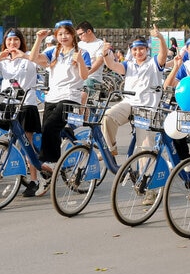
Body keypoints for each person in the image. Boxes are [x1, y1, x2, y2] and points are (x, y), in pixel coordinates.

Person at [0, 28, 46, 194]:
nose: (12, 43)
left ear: (21, 42)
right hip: (7, 104)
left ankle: (35, 179)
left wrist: (29, 50)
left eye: (16, 40)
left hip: (26, 103)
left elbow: (37, 60)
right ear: (5, 42)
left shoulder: (28, 58)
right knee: (8, 139)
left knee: (26, 143)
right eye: (9, 40)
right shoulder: (3, 61)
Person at [102, 29, 169, 200]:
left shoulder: (154, 63)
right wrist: (105, 53)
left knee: (145, 147)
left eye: (141, 49)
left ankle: (149, 188)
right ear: (131, 51)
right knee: (108, 116)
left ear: (147, 50)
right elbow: (112, 65)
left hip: (147, 109)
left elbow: (163, 54)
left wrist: (160, 38)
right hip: (129, 104)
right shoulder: (128, 64)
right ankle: (112, 150)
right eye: (134, 49)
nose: (138, 52)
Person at [29, 21, 91, 185]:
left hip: (71, 96)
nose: (63, 37)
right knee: (48, 130)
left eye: (67, 33)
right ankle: (71, 142)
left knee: (50, 126)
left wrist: (80, 62)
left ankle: (52, 162)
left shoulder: (82, 52)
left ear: (73, 35)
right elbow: (33, 58)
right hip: (52, 96)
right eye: (60, 34)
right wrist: (39, 39)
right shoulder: (53, 52)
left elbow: (85, 77)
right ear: (56, 36)